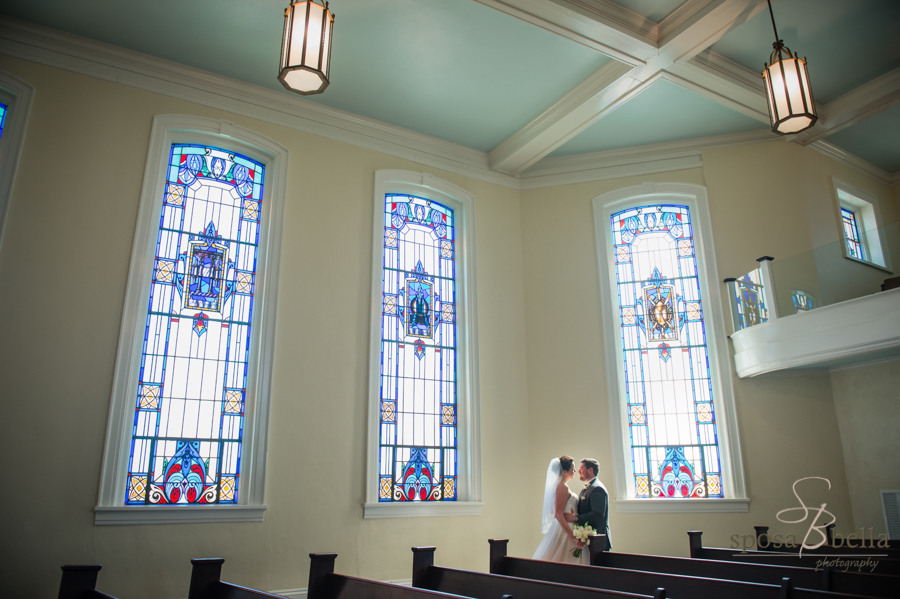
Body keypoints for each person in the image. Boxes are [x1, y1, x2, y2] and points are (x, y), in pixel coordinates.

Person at [532, 455, 589, 564]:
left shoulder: (559, 485)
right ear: (564, 472)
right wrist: (572, 537)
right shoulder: (563, 487)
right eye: (572, 469)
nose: (575, 471)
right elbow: (558, 514)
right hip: (566, 529)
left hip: (566, 525)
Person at [565, 458, 612, 551]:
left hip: (597, 539)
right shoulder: (589, 487)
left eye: (581, 469)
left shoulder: (597, 488)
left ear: (590, 470)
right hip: (589, 538)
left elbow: (597, 514)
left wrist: (576, 518)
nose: (578, 471)